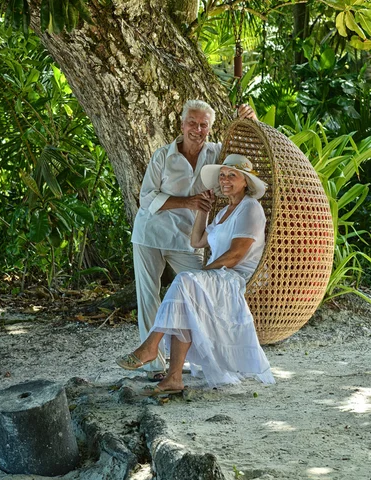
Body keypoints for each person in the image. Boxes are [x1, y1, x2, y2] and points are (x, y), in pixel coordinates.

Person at [118, 154, 275, 394]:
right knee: (185, 295)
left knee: (185, 281)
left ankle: (151, 346)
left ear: (246, 182)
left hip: (233, 278)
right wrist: (204, 210)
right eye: (222, 175)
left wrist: (202, 274)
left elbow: (235, 256)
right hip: (217, 276)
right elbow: (197, 240)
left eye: (232, 175)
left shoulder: (250, 209)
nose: (225, 180)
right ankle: (174, 378)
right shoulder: (224, 212)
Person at [131, 100, 256, 381]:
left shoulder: (216, 154)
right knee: (148, 298)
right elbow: (147, 198)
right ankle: (155, 367)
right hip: (150, 233)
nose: (197, 130)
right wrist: (188, 202)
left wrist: (251, 119)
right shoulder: (163, 156)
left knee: (199, 292)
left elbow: (246, 160)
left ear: (209, 128)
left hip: (188, 240)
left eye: (203, 125)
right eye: (192, 123)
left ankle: (206, 360)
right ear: (182, 124)